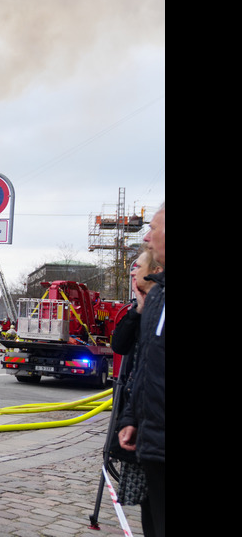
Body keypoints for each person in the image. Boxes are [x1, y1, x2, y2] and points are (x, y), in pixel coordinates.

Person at [117, 203, 165, 537]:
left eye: (153, 227)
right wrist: (131, 419)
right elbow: (137, 358)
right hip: (152, 439)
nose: (146, 236)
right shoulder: (156, 300)